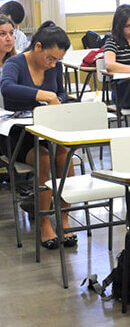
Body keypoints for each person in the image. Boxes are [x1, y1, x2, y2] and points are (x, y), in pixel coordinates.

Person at [1, 21, 77, 249]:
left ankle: (64, 217)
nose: (53, 64)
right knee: (43, 157)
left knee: (64, 155)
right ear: (37, 47)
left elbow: (61, 93)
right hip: (16, 135)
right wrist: (42, 95)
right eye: (50, 58)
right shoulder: (15, 63)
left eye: (57, 60)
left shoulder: (55, 67)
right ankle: (44, 221)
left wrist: (58, 100)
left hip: (46, 130)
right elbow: (6, 87)